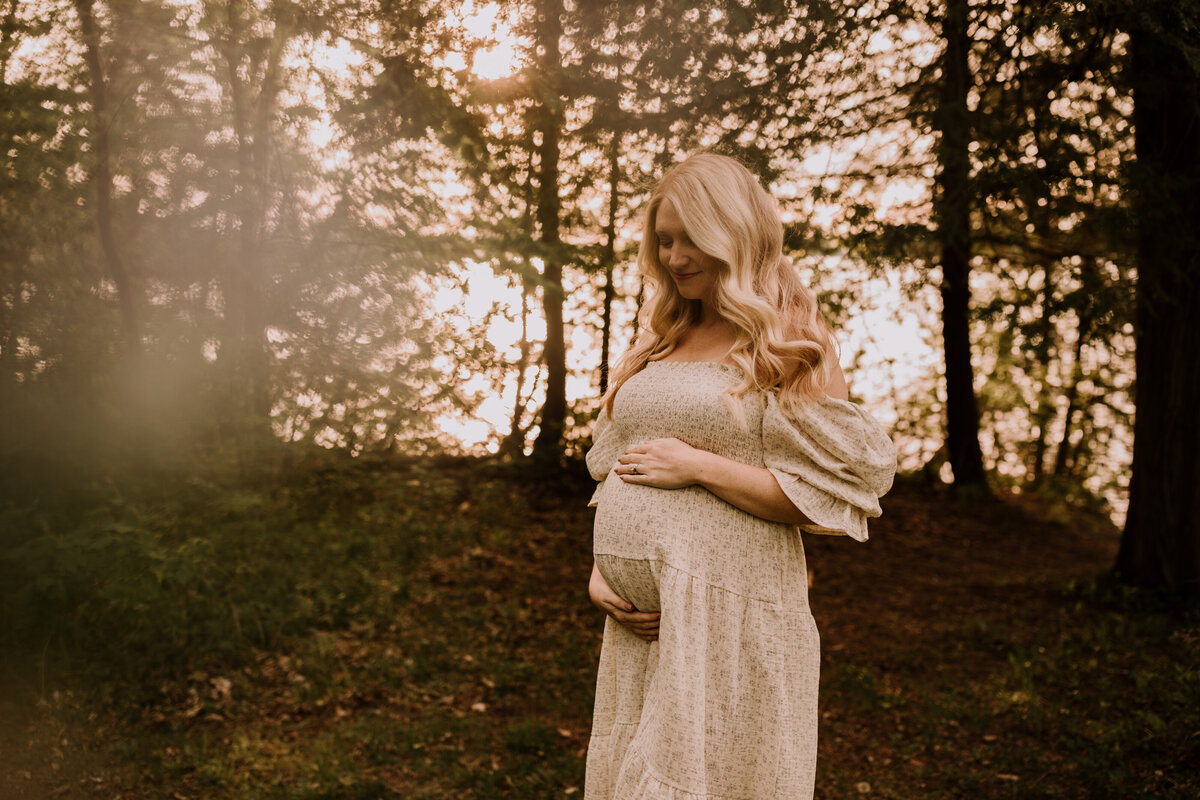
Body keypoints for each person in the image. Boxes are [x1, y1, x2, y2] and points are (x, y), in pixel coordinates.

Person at [583, 152, 896, 800]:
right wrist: (604, 569)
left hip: (732, 615)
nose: (673, 256)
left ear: (733, 230)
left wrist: (699, 467)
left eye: (689, 237)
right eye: (663, 240)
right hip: (645, 624)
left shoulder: (789, 340)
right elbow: (621, 463)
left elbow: (824, 496)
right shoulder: (664, 334)